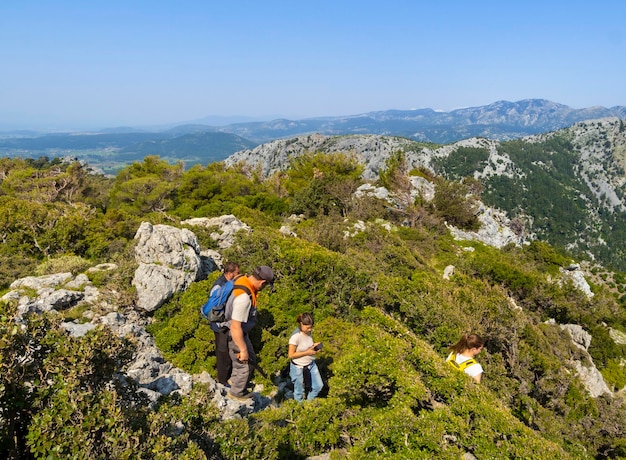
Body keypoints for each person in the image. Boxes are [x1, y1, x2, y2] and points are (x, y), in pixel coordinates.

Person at [224, 265, 275, 401]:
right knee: (244, 364)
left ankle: (234, 381)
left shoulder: (241, 280)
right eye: (265, 286)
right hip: (236, 333)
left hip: (239, 332)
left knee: (249, 358)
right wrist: (242, 349)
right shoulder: (244, 298)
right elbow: (235, 327)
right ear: (263, 282)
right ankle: (237, 392)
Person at [209, 261, 240, 386]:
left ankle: (226, 377)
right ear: (230, 273)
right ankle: (222, 380)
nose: (239, 275)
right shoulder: (220, 286)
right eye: (237, 272)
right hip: (220, 325)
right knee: (223, 353)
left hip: (223, 323)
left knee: (227, 351)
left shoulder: (224, 284)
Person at [288, 312, 324, 402]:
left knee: (318, 386)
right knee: (299, 392)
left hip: (310, 364)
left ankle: (308, 404)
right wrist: (307, 352)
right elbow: (291, 355)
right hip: (298, 368)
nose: (310, 329)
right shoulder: (295, 337)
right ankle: (299, 410)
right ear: (301, 324)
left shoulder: (307, 333)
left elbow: (305, 346)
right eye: (307, 327)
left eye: (311, 327)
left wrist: (313, 347)